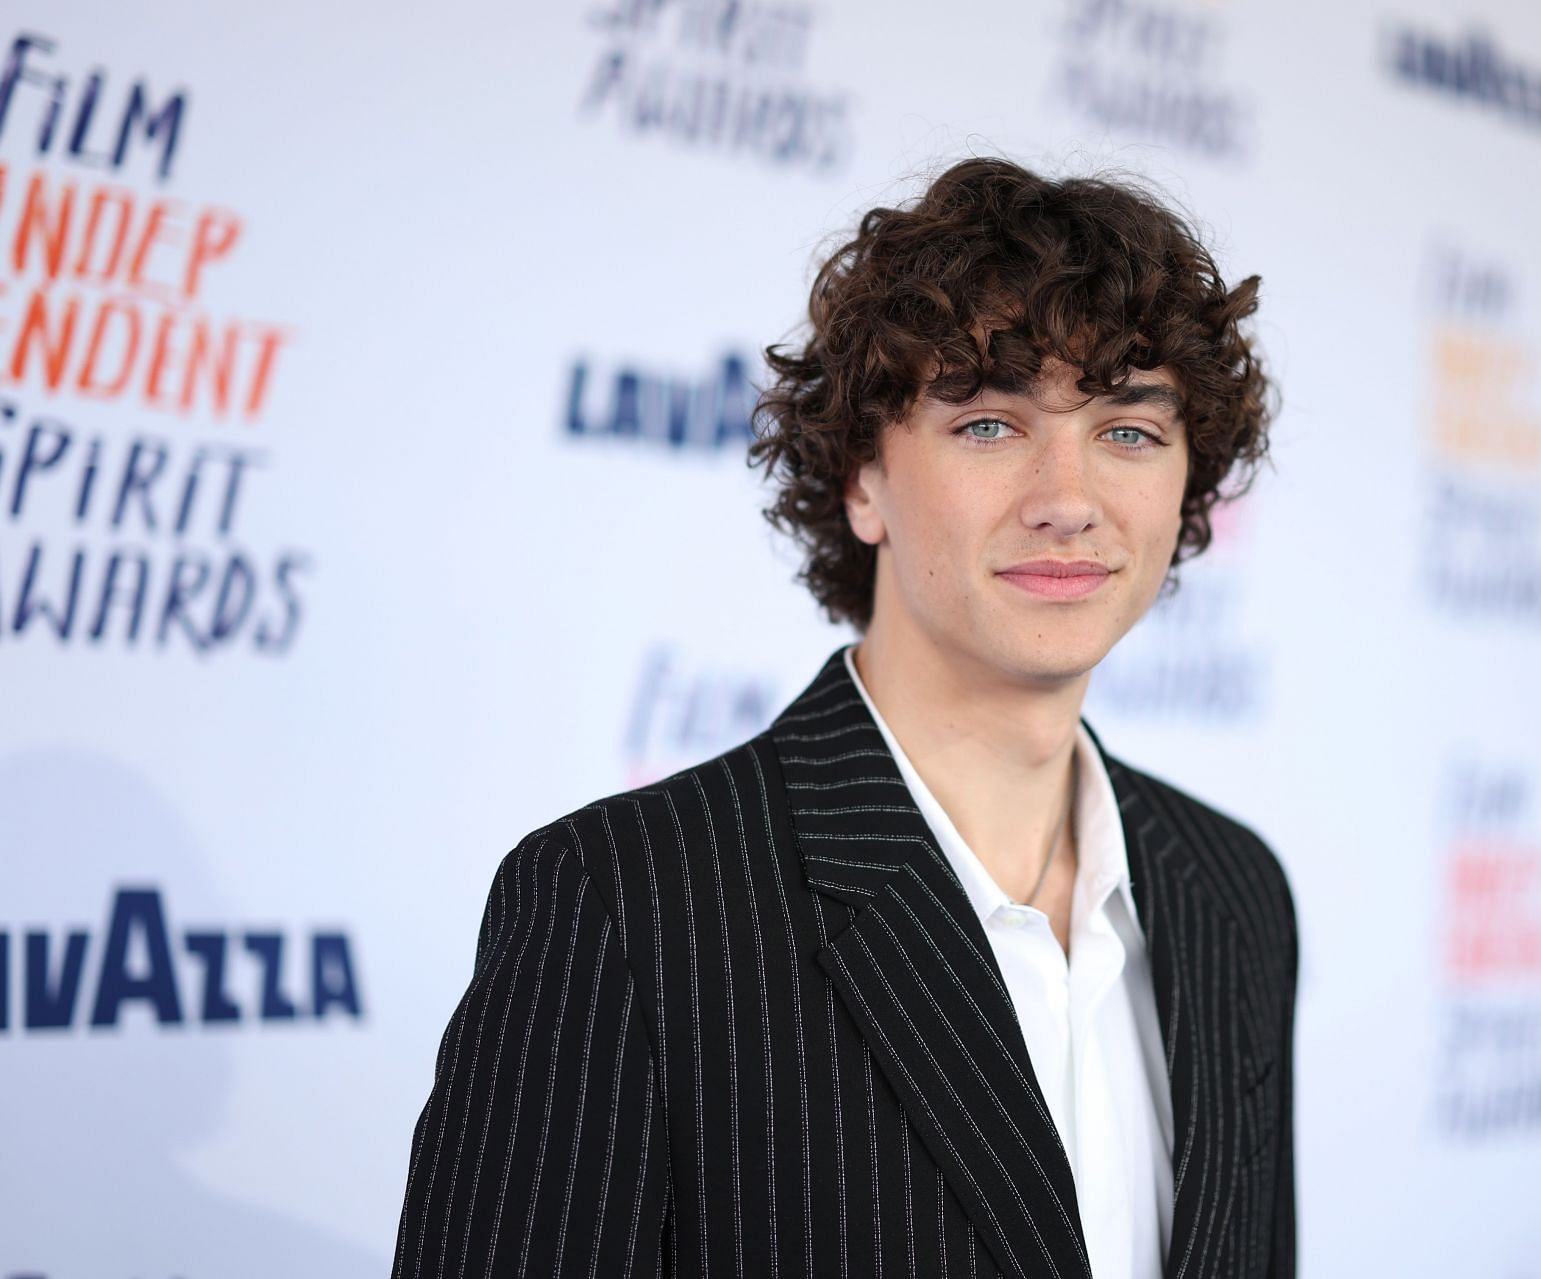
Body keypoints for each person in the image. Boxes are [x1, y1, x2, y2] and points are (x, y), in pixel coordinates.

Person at [390, 155, 1298, 1279]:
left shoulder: (1234, 895)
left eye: (1129, 431)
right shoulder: (625, 906)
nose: (1069, 498)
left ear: (1186, 481)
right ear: (862, 478)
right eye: (987, 425)